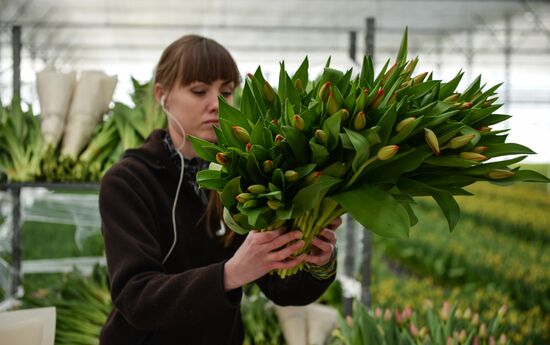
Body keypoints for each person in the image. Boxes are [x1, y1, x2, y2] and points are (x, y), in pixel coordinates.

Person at [99, 35, 341, 345]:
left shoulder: (243, 176)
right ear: (163, 95)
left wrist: (317, 263)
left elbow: (282, 289)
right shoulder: (128, 181)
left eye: (226, 92)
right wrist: (231, 273)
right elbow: (136, 296)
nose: (216, 105)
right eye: (199, 91)